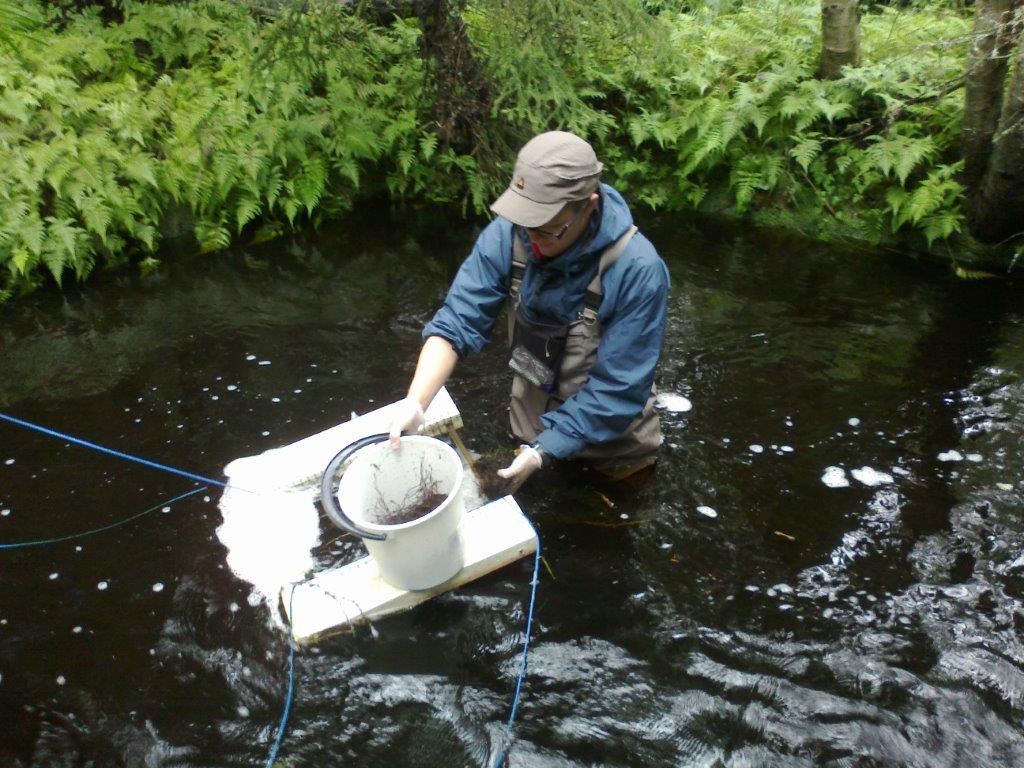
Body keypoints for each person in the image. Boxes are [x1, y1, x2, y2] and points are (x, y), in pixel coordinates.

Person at [388, 130, 670, 489]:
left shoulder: (638, 269)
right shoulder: (509, 235)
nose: (531, 239)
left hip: (613, 458)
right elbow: (456, 321)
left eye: (548, 229)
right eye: (526, 223)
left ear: (589, 205)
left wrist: (542, 451)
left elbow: (618, 390)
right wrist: (416, 402)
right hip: (529, 436)